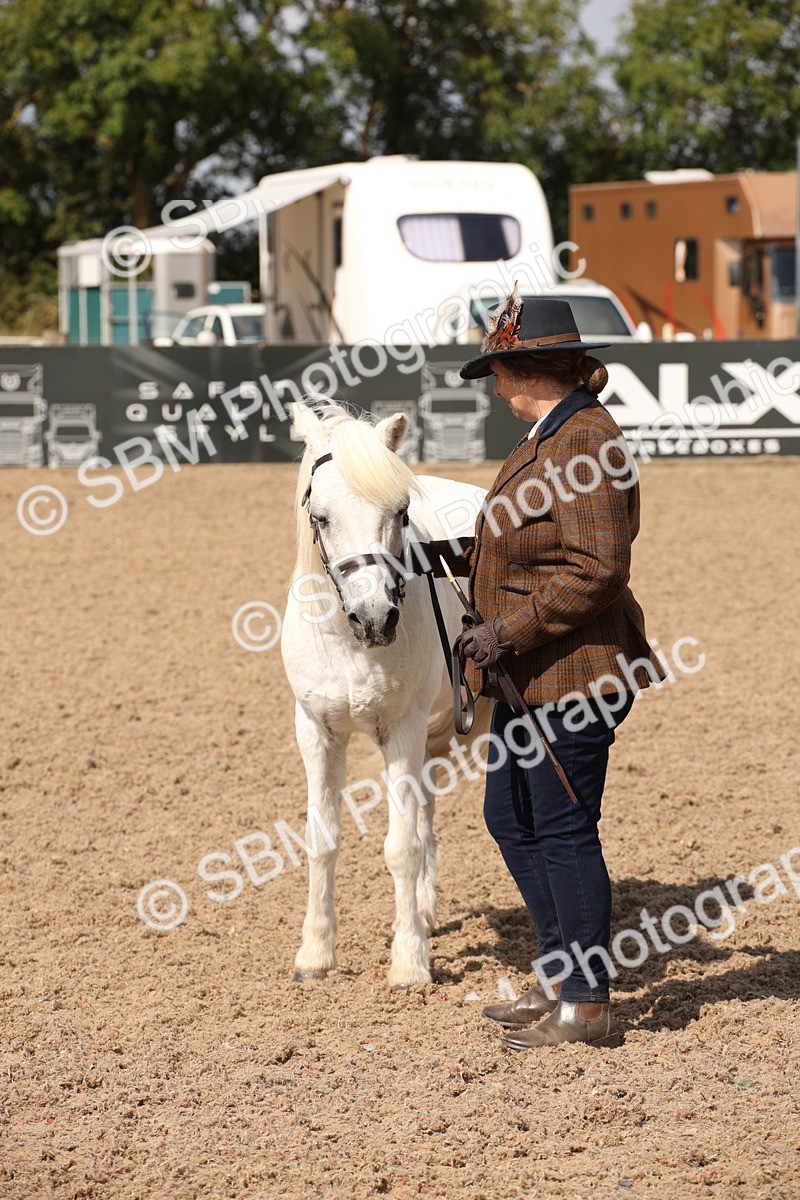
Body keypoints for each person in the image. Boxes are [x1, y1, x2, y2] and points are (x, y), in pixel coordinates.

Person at [426, 291, 665, 1049]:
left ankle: (587, 1003)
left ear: (528, 369)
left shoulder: (585, 441)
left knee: (562, 828)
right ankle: (562, 975)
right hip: (529, 676)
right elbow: (526, 545)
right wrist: (448, 558)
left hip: (575, 670)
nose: (494, 388)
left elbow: (597, 567)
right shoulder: (550, 435)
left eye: (497, 371)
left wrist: (506, 629)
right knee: (511, 818)